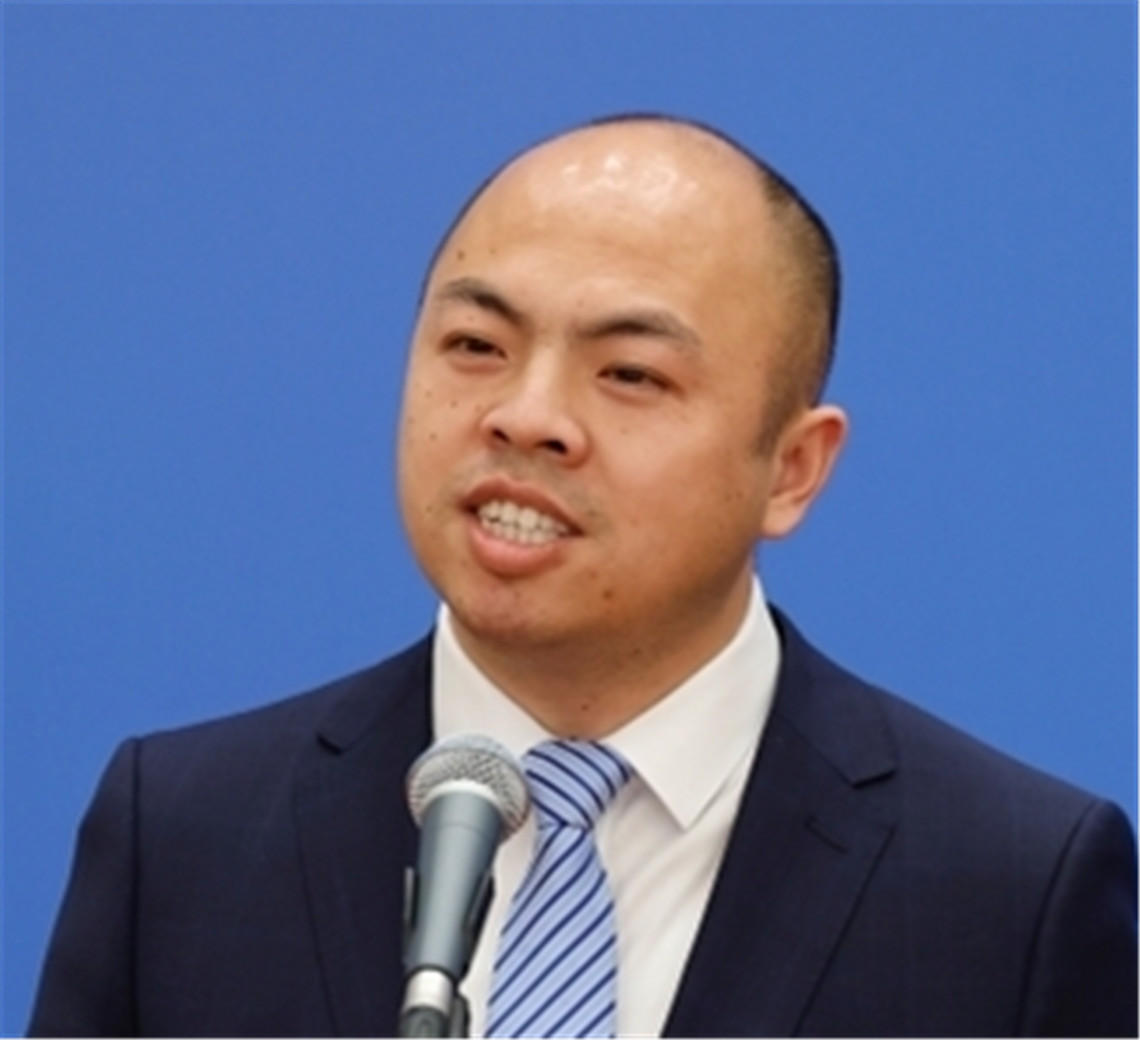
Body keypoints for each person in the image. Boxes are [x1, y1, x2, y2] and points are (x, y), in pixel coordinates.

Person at [29, 114, 1137, 1038]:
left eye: (630, 373)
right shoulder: (186, 833)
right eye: (476, 346)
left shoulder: (1011, 888)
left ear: (792, 470)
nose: (527, 416)